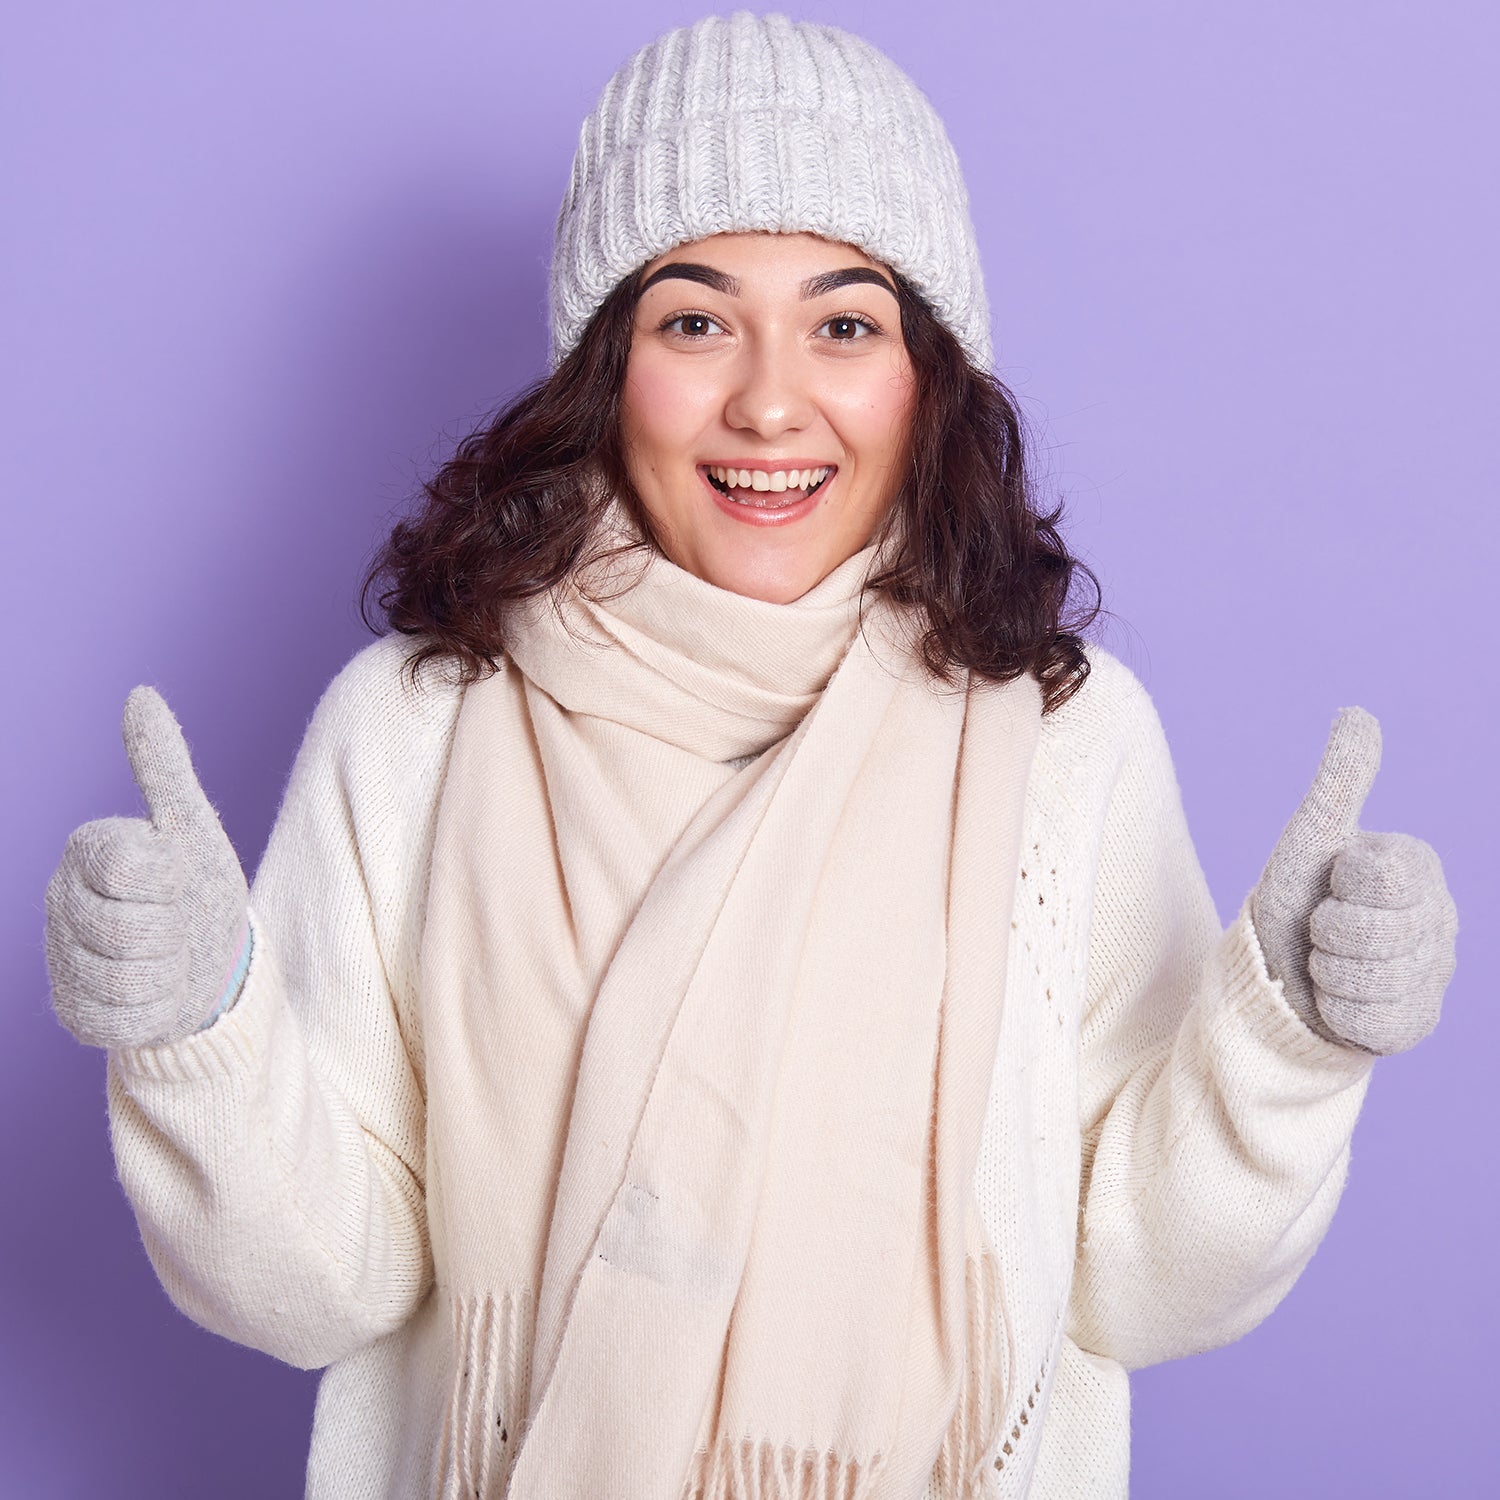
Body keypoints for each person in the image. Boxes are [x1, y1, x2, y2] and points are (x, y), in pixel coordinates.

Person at [42, 12, 1458, 1499]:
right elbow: (316, 1290)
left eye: (845, 324)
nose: (770, 401)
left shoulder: (1063, 736)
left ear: (929, 377)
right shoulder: (417, 725)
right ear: (608, 366)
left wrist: (1288, 1047)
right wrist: (198, 1033)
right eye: (696, 320)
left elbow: (1145, 1288)